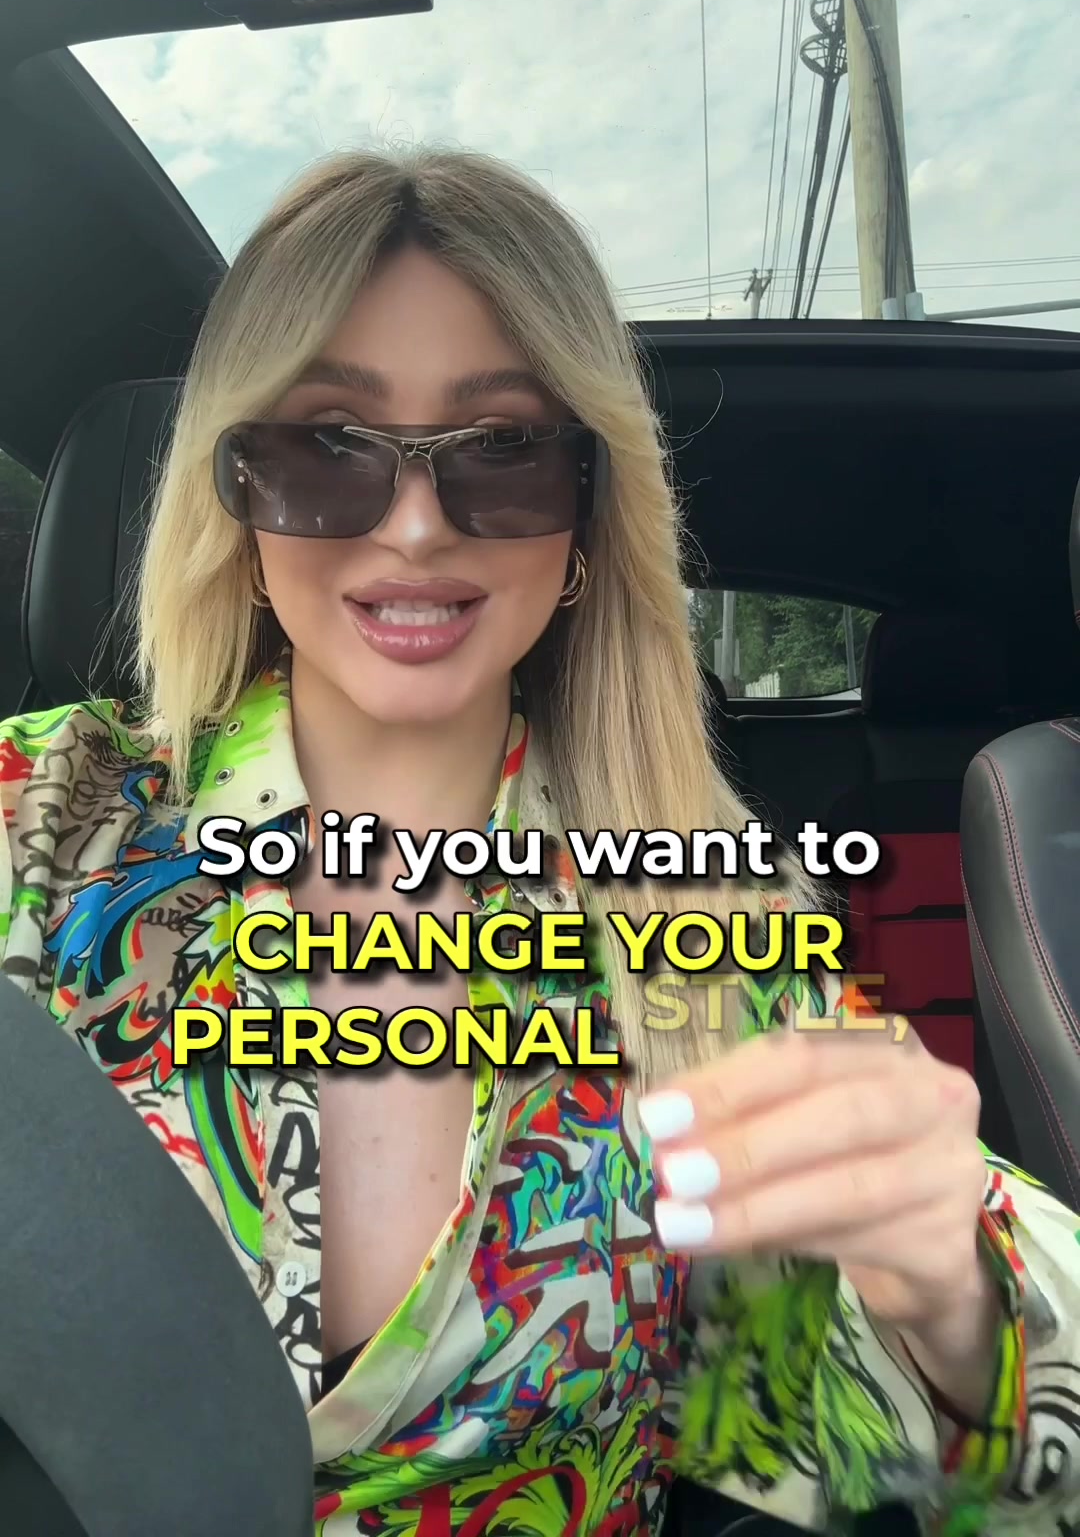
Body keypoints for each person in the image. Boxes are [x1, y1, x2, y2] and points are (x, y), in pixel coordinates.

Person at [1, 147, 1078, 1537]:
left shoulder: (706, 927)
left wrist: (955, 1304)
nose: (414, 526)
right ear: (240, 490)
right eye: (329, 442)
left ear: (586, 511)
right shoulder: (40, 815)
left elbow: (816, 1433)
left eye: (503, 449)